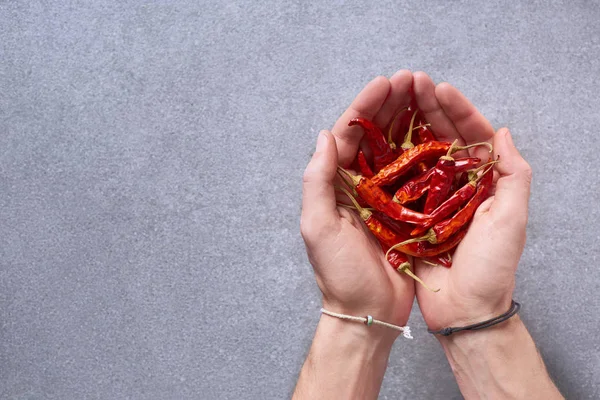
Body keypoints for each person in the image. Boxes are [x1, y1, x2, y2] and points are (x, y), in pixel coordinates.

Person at [292, 71, 564, 399]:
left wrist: (354, 319)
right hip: (411, 226)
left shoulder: (427, 196)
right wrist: (479, 317)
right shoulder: (408, 199)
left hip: (414, 226)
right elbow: (414, 207)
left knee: (424, 206)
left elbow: (420, 205)